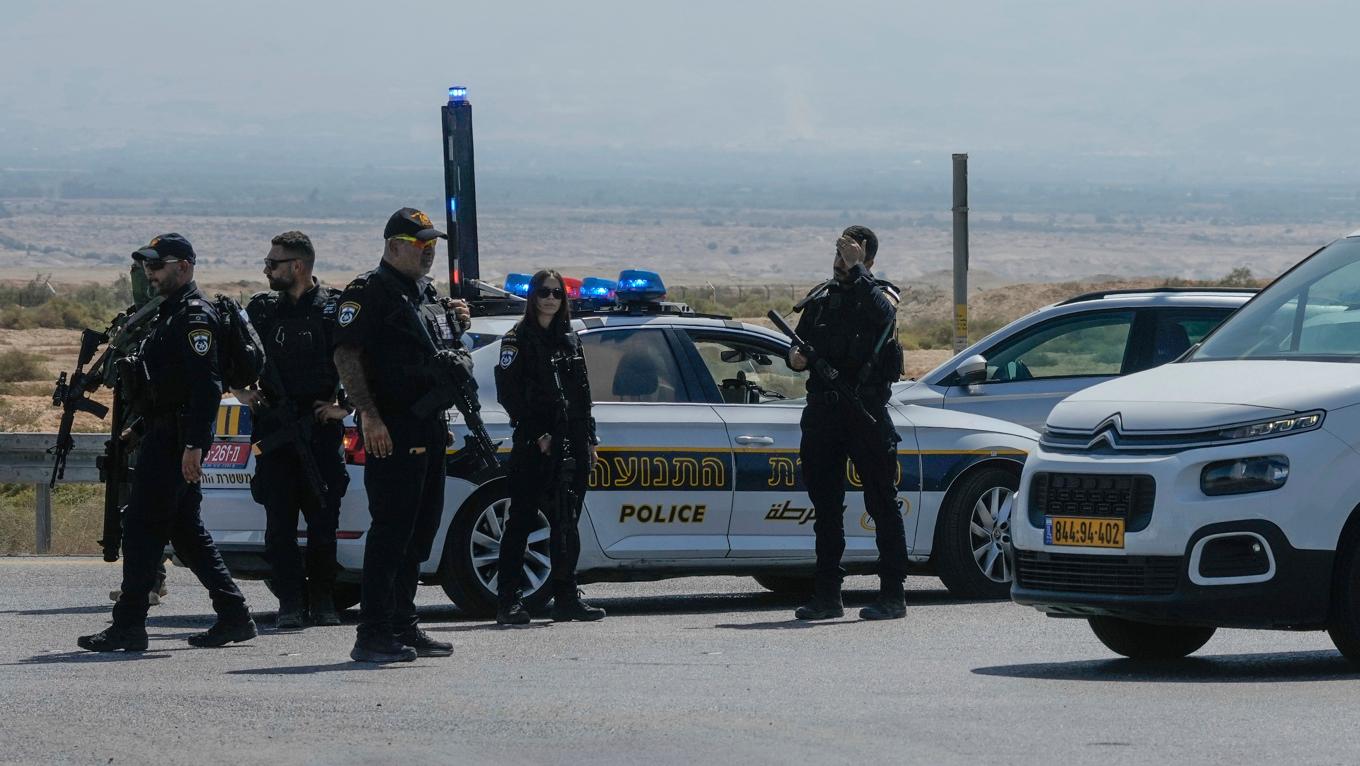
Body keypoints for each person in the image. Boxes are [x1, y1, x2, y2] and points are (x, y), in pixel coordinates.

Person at [78, 233, 257, 652]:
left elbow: (206, 386)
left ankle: (129, 624)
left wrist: (194, 445)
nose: (150, 272)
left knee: (141, 527)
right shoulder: (168, 315)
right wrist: (139, 430)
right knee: (185, 530)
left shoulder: (194, 316)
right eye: (147, 266)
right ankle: (234, 615)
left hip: (178, 440)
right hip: (164, 433)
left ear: (185, 267)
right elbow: (167, 388)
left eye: (158, 265)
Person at [333, 208, 472, 663]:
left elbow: (437, 352)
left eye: (432, 243)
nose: (429, 250)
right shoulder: (369, 291)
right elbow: (347, 356)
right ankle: (372, 632)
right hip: (391, 426)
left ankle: (403, 623)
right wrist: (369, 417)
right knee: (391, 530)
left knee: (421, 530)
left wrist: (457, 323)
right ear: (394, 246)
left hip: (429, 424)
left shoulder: (425, 292)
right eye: (419, 243)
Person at [788, 225, 908, 621]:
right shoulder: (823, 298)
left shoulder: (879, 294)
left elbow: (885, 315)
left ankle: (892, 594)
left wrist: (859, 273)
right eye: (839, 256)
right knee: (825, 505)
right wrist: (797, 358)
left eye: (851, 256)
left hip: (866, 414)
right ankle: (827, 595)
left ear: (868, 259)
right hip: (824, 414)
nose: (841, 263)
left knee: (881, 502)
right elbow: (798, 343)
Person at [234, 231, 350, 630]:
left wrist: (343, 408)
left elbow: (362, 357)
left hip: (318, 432)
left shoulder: (334, 308)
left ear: (297, 267)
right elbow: (227, 350)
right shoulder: (263, 310)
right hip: (275, 431)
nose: (267, 269)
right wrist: (240, 390)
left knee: (323, 524)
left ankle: (323, 603)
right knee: (278, 526)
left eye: (273, 263)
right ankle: (290, 604)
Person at [493, 269, 603, 625]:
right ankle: (509, 600)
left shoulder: (569, 340)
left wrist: (589, 438)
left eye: (557, 293)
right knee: (521, 521)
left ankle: (567, 597)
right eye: (543, 292)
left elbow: (583, 395)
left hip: (571, 442)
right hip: (533, 444)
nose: (551, 299)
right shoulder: (517, 339)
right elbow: (509, 394)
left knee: (566, 523)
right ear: (532, 297)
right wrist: (539, 434)